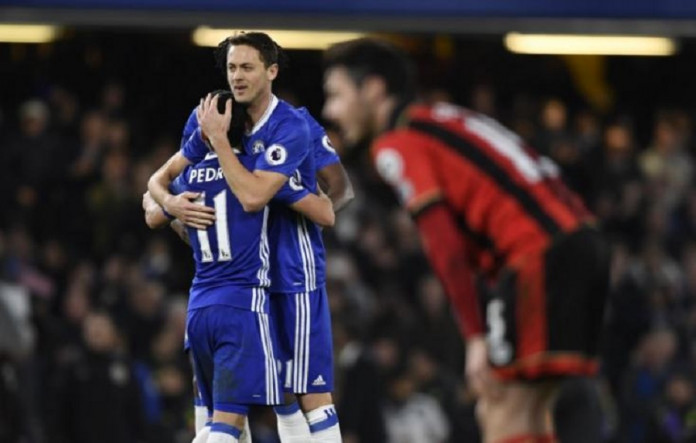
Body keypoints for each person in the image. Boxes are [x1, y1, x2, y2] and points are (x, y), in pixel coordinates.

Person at [322, 38, 609, 443]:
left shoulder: (398, 141)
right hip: (581, 245)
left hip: (537, 255)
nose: (329, 110)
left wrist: (474, 335)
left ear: (373, 89)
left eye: (336, 94)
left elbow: (442, 242)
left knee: (497, 404)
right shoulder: (442, 119)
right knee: (530, 406)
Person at [148, 32, 351, 442]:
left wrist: (298, 197)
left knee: (304, 386)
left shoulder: (294, 125)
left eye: (247, 67)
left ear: (270, 72)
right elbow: (156, 192)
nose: (237, 76)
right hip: (240, 282)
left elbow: (338, 192)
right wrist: (175, 207)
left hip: (292, 272)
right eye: (231, 67)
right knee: (260, 394)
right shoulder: (211, 116)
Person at [144, 142, 335, 443]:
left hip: (199, 305)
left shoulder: (190, 174)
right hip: (244, 306)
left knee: (211, 408)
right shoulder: (258, 172)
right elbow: (326, 212)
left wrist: (177, 210)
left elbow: (151, 209)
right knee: (256, 409)